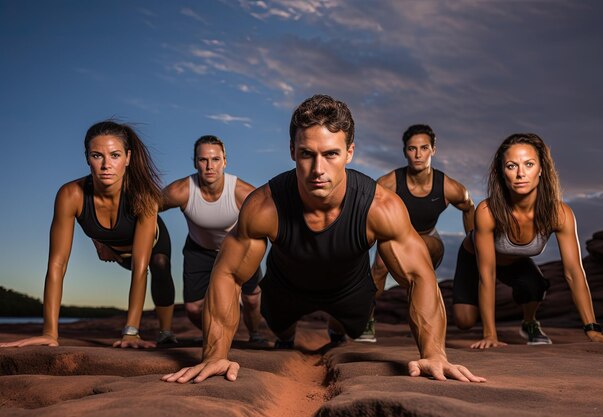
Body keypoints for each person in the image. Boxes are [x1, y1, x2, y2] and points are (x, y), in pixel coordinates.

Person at [162, 94, 485, 383]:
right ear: (292, 151)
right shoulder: (265, 206)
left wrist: (434, 354)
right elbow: (228, 272)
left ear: (349, 152)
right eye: (307, 154)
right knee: (282, 333)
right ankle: (289, 332)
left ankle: (335, 326)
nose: (318, 168)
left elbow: (418, 275)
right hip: (286, 288)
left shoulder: (379, 207)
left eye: (331, 154)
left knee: (345, 330)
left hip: (349, 291)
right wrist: (215, 356)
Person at [0, 121, 176, 349]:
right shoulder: (70, 195)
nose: (106, 165)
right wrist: (50, 333)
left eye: (115, 155)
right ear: (86, 158)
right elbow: (57, 264)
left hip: (150, 248)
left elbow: (140, 268)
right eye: (97, 155)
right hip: (115, 250)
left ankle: (166, 331)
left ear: (128, 158)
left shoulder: (144, 196)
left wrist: (131, 332)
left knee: (159, 263)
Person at [452, 133, 603, 349]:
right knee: (465, 321)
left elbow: (574, 272)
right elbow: (487, 275)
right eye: (511, 166)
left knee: (536, 286)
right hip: (474, 259)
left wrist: (593, 330)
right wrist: (490, 335)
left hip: (514, 263)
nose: (521, 174)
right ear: (501, 172)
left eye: (529, 164)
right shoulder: (487, 211)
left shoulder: (560, 214)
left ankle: (530, 323)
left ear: (541, 169)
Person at [356, 124, 474, 343]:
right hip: (393, 236)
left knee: (422, 250)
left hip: (428, 237)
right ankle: (368, 319)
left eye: (424, 148)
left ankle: (423, 321)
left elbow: (468, 207)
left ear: (433, 150)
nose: (418, 154)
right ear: (405, 152)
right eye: (412, 149)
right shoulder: (388, 183)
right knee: (379, 268)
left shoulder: (449, 187)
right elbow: (366, 212)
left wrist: (473, 242)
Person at [161, 135, 265, 343]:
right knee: (192, 308)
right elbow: (145, 211)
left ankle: (255, 336)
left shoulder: (242, 192)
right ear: (195, 162)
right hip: (199, 249)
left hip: (237, 247)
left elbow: (269, 220)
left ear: (224, 161)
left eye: (215, 159)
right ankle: (217, 334)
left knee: (252, 299)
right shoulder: (181, 191)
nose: (210, 166)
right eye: (203, 160)